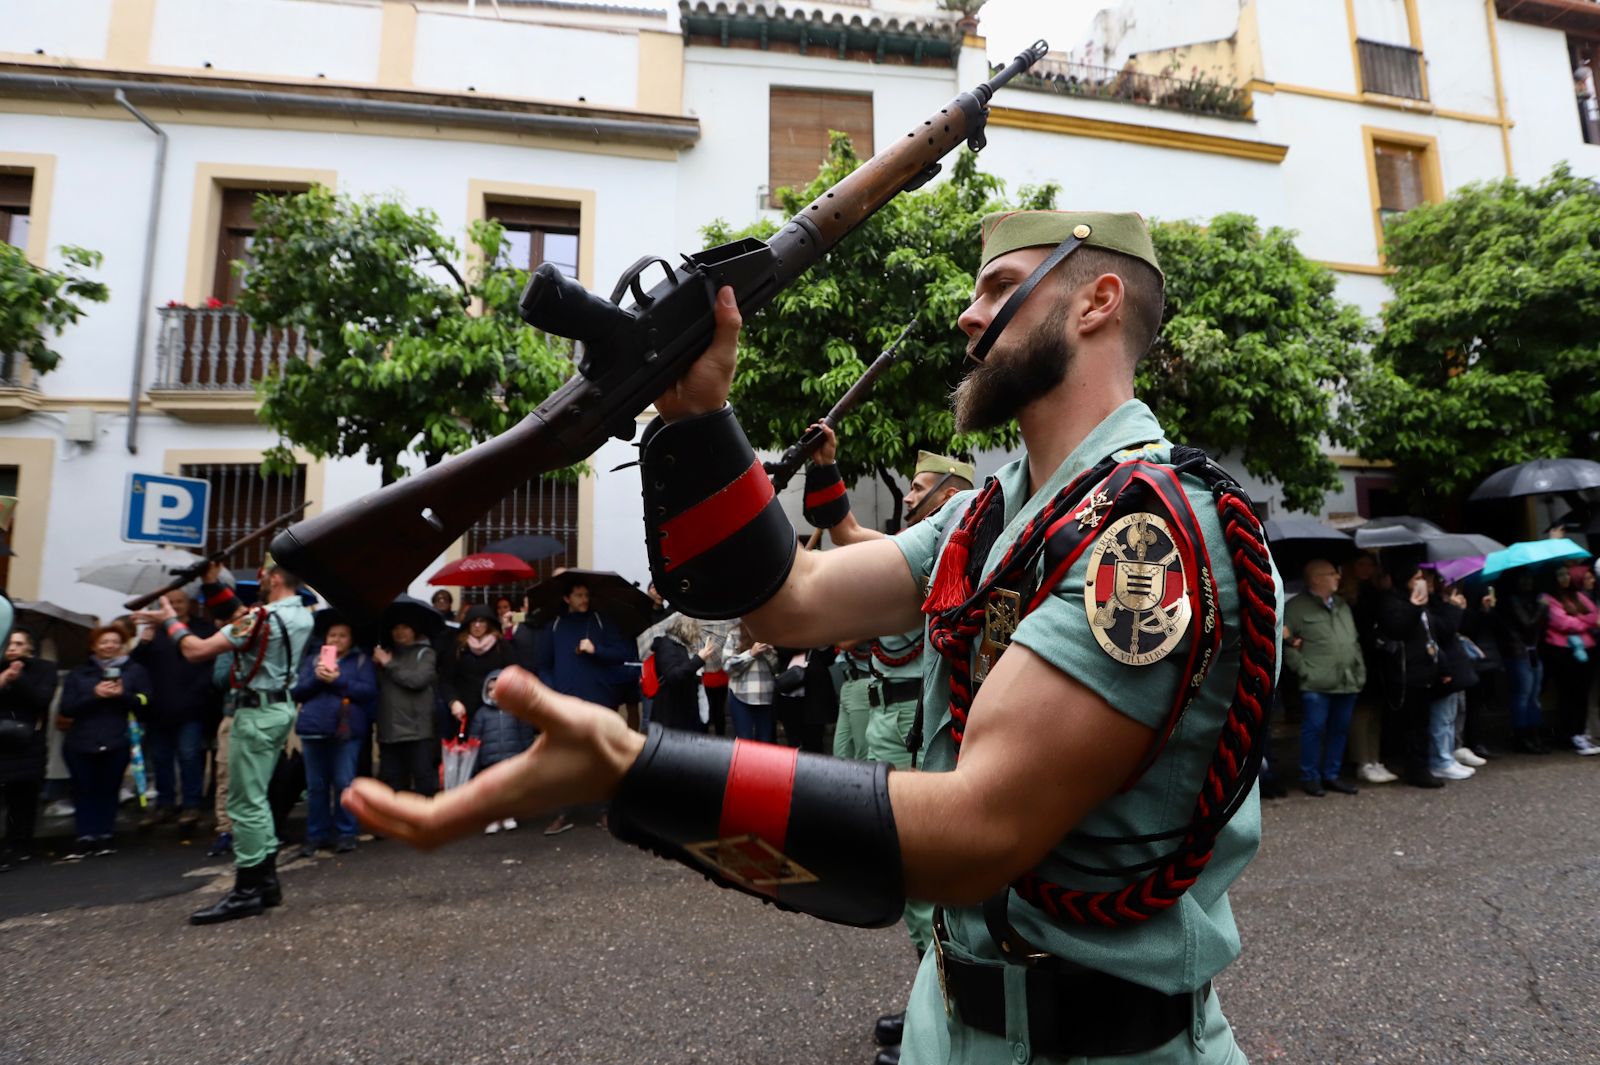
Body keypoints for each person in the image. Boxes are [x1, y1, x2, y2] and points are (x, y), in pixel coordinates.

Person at [346, 210, 1284, 1063]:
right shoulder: (992, 516)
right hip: (946, 1022)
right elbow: (788, 600)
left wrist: (638, 769)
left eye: (999, 288)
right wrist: (701, 414)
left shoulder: (1153, 535)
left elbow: (980, 831)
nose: (967, 315)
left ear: (1098, 302)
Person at [802, 428, 974, 1058]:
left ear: (953, 495)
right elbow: (845, 540)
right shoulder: (923, 550)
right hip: (889, 723)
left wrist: (829, 468)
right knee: (910, 884)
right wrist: (824, 468)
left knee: (926, 881)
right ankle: (935, 1004)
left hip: (913, 731)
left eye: (922, 488)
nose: (909, 498)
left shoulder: (955, 545)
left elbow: (846, 535)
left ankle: (949, 1017)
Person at [135, 557, 313, 923]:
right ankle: (265, 884)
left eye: (264, 576)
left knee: (245, 804)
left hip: (254, 716)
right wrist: (214, 584)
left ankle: (246, 891)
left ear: (275, 578)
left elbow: (195, 650)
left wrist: (169, 618)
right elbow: (243, 616)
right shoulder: (300, 614)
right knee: (258, 800)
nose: (261, 581)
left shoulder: (262, 619)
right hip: (280, 711)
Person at [535, 579, 630, 835]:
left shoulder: (601, 622)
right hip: (565, 702)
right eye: (578, 594)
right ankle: (564, 811)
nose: (584, 599)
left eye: (586, 594)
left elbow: (623, 653)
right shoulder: (554, 626)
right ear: (567, 599)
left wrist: (596, 649)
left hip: (600, 699)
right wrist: (552, 689)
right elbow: (543, 664)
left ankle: (605, 811)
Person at [58, 625, 152, 858]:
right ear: (94, 646)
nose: (109, 646)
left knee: (109, 789)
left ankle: (105, 835)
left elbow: (145, 702)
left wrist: (123, 696)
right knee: (83, 789)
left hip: (116, 739)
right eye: (104, 642)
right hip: (81, 741)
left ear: (121, 646)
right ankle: (84, 835)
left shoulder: (135, 671)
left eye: (114, 642)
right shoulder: (79, 673)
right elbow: (67, 708)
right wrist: (94, 695)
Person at [131, 587, 218, 832]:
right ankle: (165, 804)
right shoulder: (155, 633)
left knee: (189, 756)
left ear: (189, 603)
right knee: (160, 759)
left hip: (192, 707)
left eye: (180, 601)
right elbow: (136, 665)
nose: (177, 606)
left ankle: (191, 804)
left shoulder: (202, 629)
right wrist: (143, 643)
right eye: (172, 602)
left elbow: (210, 664)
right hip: (159, 709)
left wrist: (197, 693)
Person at [291, 616, 377, 856]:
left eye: (342, 635)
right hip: (313, 728)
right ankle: (316, 834)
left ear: (351, 639)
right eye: (332, 635)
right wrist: (317, 679)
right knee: (316, 786)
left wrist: (338, 680)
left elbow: (368, 691)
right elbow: (297, 692)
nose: (337, 640)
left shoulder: (360, 661)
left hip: (345, 731)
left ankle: (346, 833)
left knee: (343, 783)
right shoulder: (312, 660)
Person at [1283, 558, 1365, 797]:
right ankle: (1310, 777)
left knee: (1340, 730)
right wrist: (1303, 669)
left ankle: (1332, 775)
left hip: (1347, 680)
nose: (1338, 577)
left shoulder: (1342, 604)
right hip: (1316, 682)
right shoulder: (1296, 607)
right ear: (1316, 579)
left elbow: (1353, 641)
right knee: (1314, 730)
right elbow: (1285, 643)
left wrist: (1359, 669)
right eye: (1332, 573)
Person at [0, 628, 58, 869]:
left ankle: (20, 844)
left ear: (29, 648)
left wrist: (19, 678)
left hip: (27, 743)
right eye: (9, 643)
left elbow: (41, 700)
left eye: (19, 643)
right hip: (1, 743)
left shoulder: (44, 669)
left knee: (23, 798)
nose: (12, 647)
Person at [1341, 553, 1398, 785]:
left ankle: (1374, 759)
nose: (1366, 568)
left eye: (1370, 564)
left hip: (1376, 658)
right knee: (1361, 712)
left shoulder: (1376, 591)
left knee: (1375, 710)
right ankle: (1362, 760)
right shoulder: (1347, 595)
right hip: (1359, 655)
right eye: (1361, 564)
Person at [373, 620, 440, 795]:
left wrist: (389, 664)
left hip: (417, 731)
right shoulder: (383, 653)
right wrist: (376, 665)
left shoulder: (425, 653)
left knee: (424, 783)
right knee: (392, 787)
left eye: (405, 627)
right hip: (389, 731)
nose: (399, 631)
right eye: (395, 627)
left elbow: (417, 680)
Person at [1540, 563, 1599, 754]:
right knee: (1568, 693)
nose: (1564, 578)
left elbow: (1595, 615)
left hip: (1587, 649)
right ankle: (1569, 734)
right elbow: (1562, 623)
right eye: (1560, 574)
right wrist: (1583, 621)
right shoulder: (1548, 598)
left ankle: (1580, 733)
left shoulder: (1578, 596)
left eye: (1566, 574)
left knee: (1582, 693)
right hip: (1563, 651)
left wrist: (1581, 620)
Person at [470, 669, 535, 834]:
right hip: (490, 760)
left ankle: (508, 815)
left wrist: (527, 754)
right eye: (490, 689)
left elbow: (525, 734)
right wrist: (475, 762)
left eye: (497, 688)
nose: (493, 693)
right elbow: (474, 740)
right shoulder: (481, 714)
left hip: (511, 758)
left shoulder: (516, 711)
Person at [1498, 571, 1550, 753]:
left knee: (1534, 696)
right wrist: (1542, 607)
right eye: (1523, 577)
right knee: (1522, 695)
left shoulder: (1532, 599)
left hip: (1533, 651)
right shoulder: (1512, 601)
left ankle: (1534, 733)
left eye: (1530, 578)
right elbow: (1528, 624)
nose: (1528, 581)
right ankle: (1521, 736)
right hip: (1518, 652)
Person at [446, 605, 515, 732]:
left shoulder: (501, 645)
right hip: (464, 711)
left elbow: (514, 674)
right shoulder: (459, 646)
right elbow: (446, 679)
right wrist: (453, 701)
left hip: (495, 710)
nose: (477, 625)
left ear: (489, 623)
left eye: (482, 621)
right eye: (473, 621)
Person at [647, 614, 715, 733]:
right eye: (695, 631)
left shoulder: (684, 646)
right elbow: (673, 676)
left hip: (684, 706)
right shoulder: (667, 646)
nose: (696, 636)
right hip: (671, 710)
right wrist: (698, 659)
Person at [724, 623, 779, 742]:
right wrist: (750, 654)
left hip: (765, 696)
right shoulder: (735, 632)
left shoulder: (770, 633)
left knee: (765, 741)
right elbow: (727, 667)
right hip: (740, 695)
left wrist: (769, 653)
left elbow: (778, 668)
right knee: (744, 741)